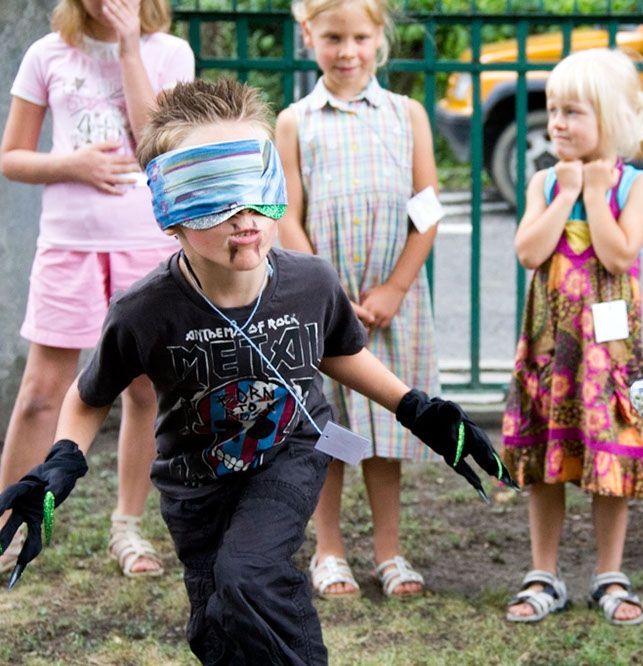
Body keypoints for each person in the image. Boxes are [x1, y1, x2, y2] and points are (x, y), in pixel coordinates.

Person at [0, 78, 513, 665]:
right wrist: (63, 460)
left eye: (254, 191)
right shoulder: (145, 311)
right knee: (216, 620)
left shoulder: (309, 281)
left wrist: (416, 408)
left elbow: (339, 353)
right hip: (193, 479)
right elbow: (89, 397)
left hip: (289, 452)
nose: (244, 217)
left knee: (248, 574)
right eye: (214, 197)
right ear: (171, 213)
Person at [0, 0, 194, 578]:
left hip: (145, 245)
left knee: (143, 388)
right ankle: (7, 521)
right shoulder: (46, 54)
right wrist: (73, 165)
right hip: (69, 245)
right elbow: (12, 156)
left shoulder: (171, 53)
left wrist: (131, 47)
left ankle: (127, 529)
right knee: (41, 391)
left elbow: (156, 144)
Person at [501, 48, 643, 626]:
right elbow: (529, 251)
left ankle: (609, 574)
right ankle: (543, 573)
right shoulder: (544, 182)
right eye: (553, 111)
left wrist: (598, 192)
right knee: (547, 458)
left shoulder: (639, 186)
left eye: (572, 112)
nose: (556, 123)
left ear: (611, 120)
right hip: (552, 352)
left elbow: (619, 252)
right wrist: (567, 192)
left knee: (610, 460)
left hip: (609, 357)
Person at [274, 0, 441, 600]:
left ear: (380, 38)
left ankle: (390, 552)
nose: (348, 51)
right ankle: (329, 549)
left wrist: (395, 287)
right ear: (308, 36)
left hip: (391, 305)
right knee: (332, 429)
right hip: (326, 309)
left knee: (386, 425)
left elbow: (426, 211)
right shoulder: (295, 122)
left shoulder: (407, 115)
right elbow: (287, 216)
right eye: (333, 38)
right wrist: (328, 292)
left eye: (360, 37)